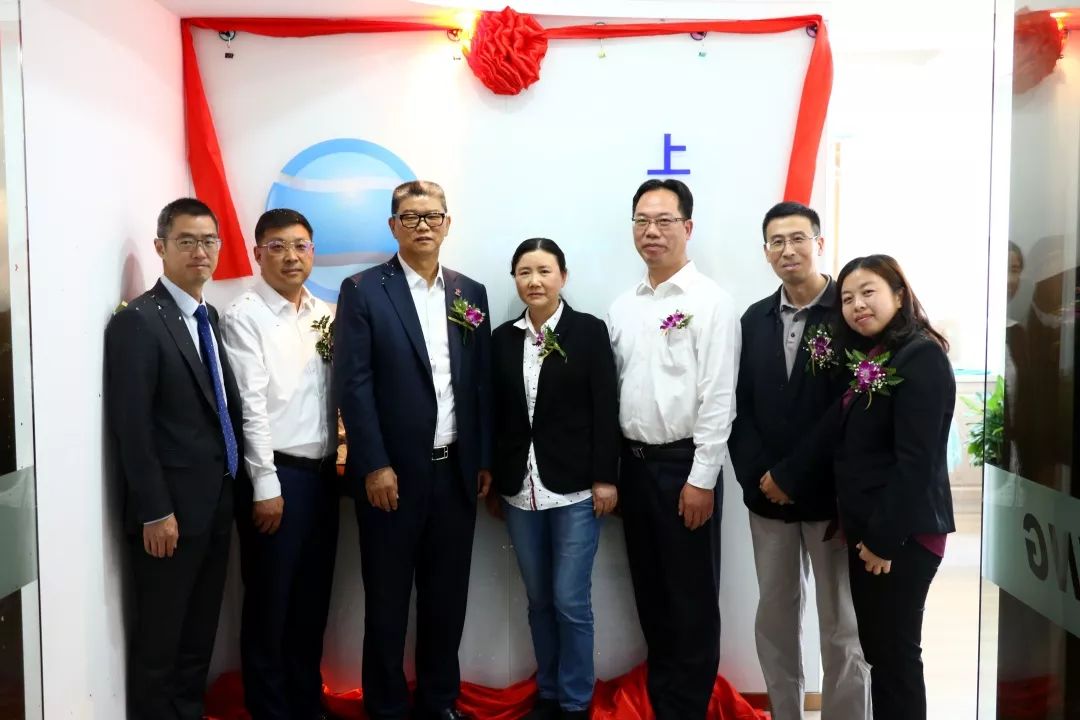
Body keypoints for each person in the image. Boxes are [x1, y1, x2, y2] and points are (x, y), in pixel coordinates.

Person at [334, 180, 492, 720]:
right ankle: (386, 708)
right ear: (392, 225)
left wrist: (481, 459)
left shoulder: (470, 292)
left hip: (455, 473)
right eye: (410, 216)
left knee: (446, 599)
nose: (422, 225)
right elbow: (353, 384)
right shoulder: (363, 290)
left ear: (447, 223)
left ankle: (439, 702)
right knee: (387, 601)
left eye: (432, 216)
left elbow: (479, 382)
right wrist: (374, 463)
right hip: (391, 478)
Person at [105, 197, 244, 720]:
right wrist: (154, 510)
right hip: (169, 517)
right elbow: (132, 427)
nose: (199, 251)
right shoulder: (139, 322)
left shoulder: (207, 316)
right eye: (186, 241)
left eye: (208, 241)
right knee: (160, 644)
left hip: (216, 503)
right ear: (161, 247)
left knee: (197, 637)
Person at [730, 202, 870, 720]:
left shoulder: (848, 314)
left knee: (842, 624)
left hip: (831, 500)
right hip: (768, 500)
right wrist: (759, 478)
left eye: (797, 238)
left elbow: (852, 412)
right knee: (775, 618)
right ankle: (785, 713)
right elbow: (739, 406)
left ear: (819, 243)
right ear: (766, 251)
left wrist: (793, 475)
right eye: (776, 241)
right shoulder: (754, 319)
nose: (787, 250)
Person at [607, 179, 740, 719]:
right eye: (642, 220)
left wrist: (702, 479)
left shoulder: (711, 302)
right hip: (635, 469)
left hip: (686, 468)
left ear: (687, 227)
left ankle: (687, 708)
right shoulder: (623, 306)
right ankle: (664, 704)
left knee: (692, 600)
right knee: (652, 596)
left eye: (664, 221)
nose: (652, 231)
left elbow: (719, 398)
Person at [807, 254, 955, 720]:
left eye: (868, 292)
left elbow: (917, 461)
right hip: (872, 530)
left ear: (899, 294)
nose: (857, 305)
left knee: (895, 657)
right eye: (847, 298)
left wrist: (883, 540)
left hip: (901, 536)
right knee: (880, 653)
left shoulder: (922, 355)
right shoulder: (878, 354)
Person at [489, 238, 619, 720]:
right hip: (519, 490)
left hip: (576, 489)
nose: (535, 281)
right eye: (524, 272)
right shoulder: (502, 339)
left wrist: (606, 477)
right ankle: (547, 693)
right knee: (539, 599)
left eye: (544, 271)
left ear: (563, 276)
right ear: (515, 279)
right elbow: (496, 413)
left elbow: (606, 407)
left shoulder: (588, 331)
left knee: (569, 599)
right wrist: (495, 476)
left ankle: (575, 700)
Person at [221, 209, 338, 720]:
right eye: (277, 246)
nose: (291, 256)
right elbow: (250, 408)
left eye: (300, 245)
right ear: (258, 253)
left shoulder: (322, 312)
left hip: (324, 477)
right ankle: (270, 710)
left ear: (312, 251)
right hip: (276, 479)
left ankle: (306, 704)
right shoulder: (244, 315)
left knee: (312, 602)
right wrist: (265, 486)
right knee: (270, 604)